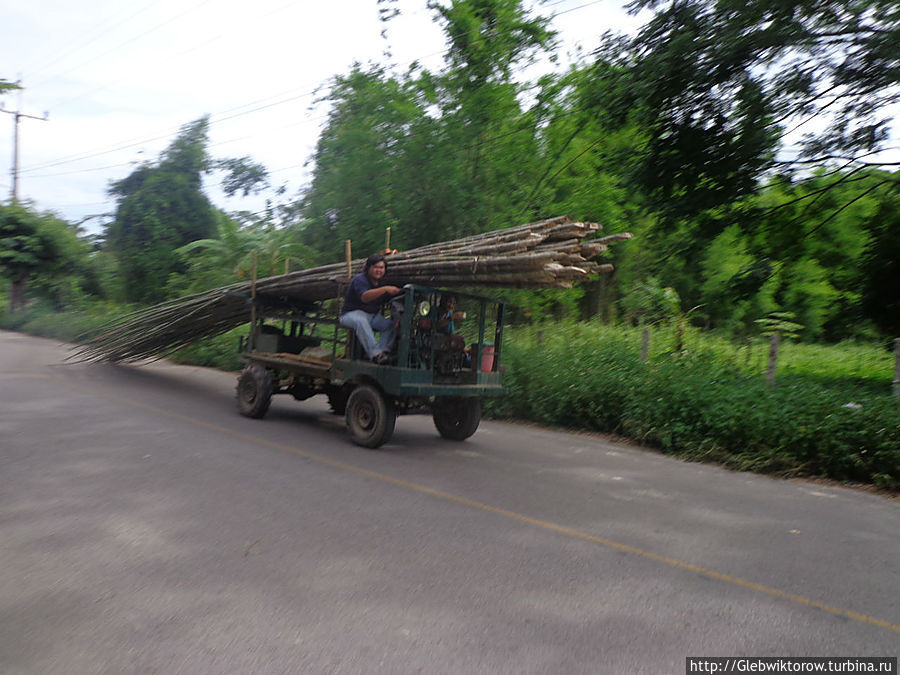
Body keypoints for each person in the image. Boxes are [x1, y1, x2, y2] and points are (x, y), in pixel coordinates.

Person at [339, 253, 401, 364]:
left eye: (381, 267)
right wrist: (385, 289)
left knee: (389, 325)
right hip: (350, 314)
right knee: (361, 321)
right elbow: (365, 297)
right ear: (369, 268)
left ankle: (383, 353)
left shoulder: (381, 283)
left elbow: (390, 298)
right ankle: (376, 354)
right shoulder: (360, 279)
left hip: (371, 316)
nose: (379, 270)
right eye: (375, 267)